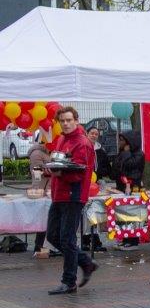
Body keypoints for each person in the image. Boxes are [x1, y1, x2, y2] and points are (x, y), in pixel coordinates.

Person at [45, 106, 98, 295]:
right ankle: (85, 262)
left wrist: (59, 172)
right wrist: (51, 169)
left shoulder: (82, 143)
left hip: (73, 196)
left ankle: (69, 282)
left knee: (67, 239)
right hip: (59, 195)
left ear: (76, 120)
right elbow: (60, 164)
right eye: (62, 121)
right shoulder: (62, 139)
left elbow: (80, 173)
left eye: (69, 120)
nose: (66, 124)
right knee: (53, 235)